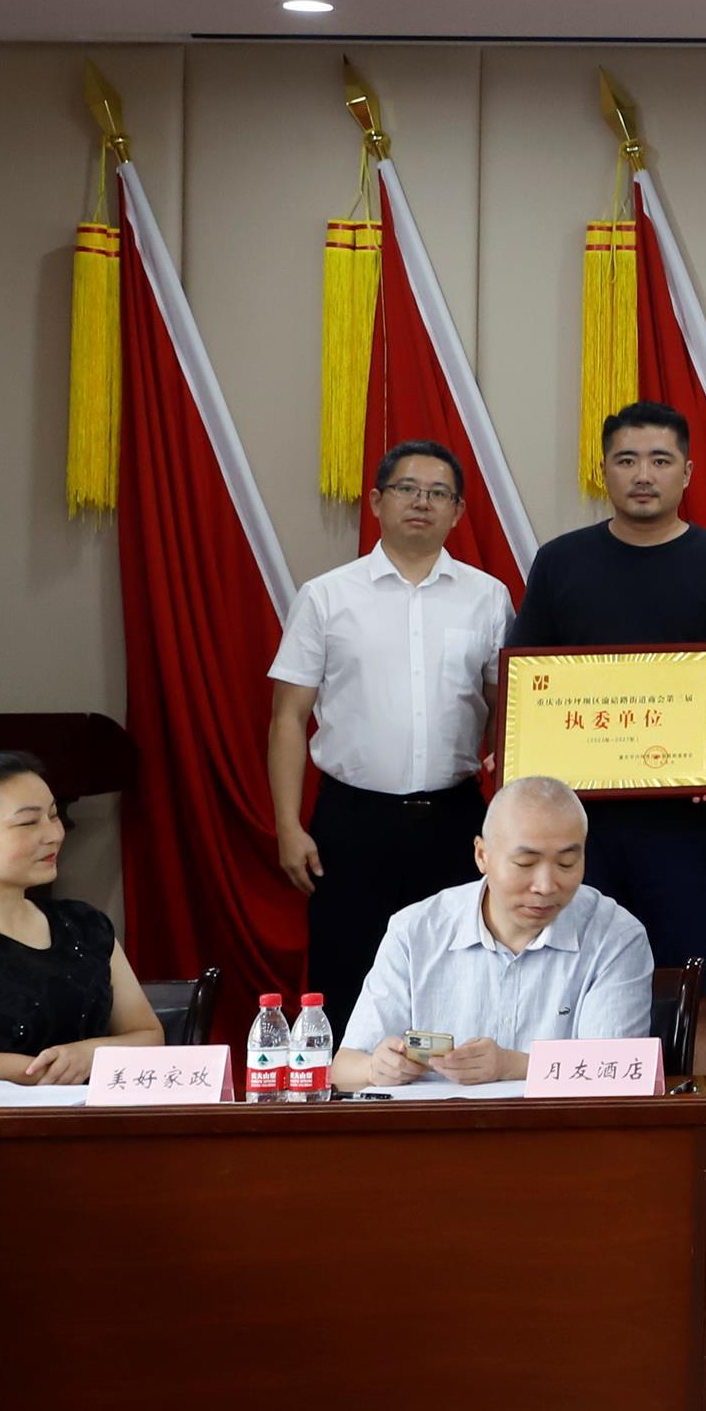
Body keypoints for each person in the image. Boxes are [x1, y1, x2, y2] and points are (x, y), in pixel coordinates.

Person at [508, 401, 706, 1069]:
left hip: (685, 817)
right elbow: (528, 682)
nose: (643, 475)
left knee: (701, 985)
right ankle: (579, 1109)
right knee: (564, 979)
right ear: (604, 471)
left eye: (660, 460)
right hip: (576, 824)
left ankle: (703, 1117)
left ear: (687, 471)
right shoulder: (560, 562)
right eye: (627, 460)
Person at [264, 437, 514, 1033]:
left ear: (458, 511)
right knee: (348, 977)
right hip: (352, 822)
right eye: (407, 489)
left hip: (454, 820)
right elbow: (287, 719)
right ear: (376, 501)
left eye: (438, 493)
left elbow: (507, 710)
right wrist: (288, 827)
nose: (421, 502)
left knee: (456, 978)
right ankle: (345, 1089)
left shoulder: (488, 597)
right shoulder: (326, 596)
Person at [332, 776, 653, 1089]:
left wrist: (511, 1066)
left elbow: (622, 1071)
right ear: (482, 855)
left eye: (567, 863)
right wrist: (376, 1068)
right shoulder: (415, 931)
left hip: (560, 1125)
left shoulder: (615, 936)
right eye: (525, 863)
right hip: (434, 1125)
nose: (545, 886)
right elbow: (344, 1068)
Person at [0, 752, 163, 1087]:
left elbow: (148, 1034)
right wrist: (20, 1070)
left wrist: (91, 1054)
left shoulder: (84, 925)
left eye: (53, 816)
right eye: (28, 823)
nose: (53, 834)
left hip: (90, 1115)